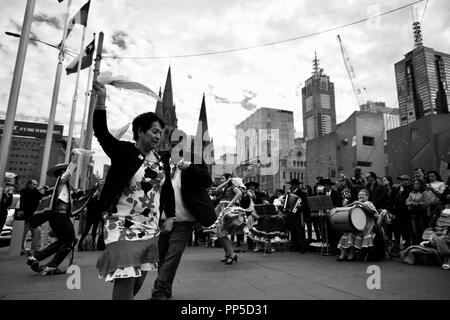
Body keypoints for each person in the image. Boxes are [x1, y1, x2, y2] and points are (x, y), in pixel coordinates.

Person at [92, 81, 176, 300]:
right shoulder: (124, 152)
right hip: (120, 222)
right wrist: (101, 101)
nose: (159, 136)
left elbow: (166, 189)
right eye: (155, 131)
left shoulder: (162, 160)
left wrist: (171, 215)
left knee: (137, 278)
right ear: (140, 132)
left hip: (149, 226)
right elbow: (101, 132)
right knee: (126, 274)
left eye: (161, 132)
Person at [151, 153, 216, 300]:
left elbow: (207, 181)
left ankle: (159, 291)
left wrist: (190, 167)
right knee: (162, 257)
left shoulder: (192, 160)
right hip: (161, 219)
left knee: (173, 255)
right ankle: (165, 289)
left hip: (184, 220)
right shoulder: (158, 161)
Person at [27, 158, 78, 275]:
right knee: (70, 241)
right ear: (62, 172)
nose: (71, 174)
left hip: (55, 218)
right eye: (67, 171)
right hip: (61, 217)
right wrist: (75, 159)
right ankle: (51, 266)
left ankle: (36, 258)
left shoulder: (60, 186)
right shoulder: (62, 181)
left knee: (62, 241)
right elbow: (67, 174)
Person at [337, 188, 379, 261]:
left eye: (363, 195)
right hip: (355, 226)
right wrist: (345, 205)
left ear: (367, 197)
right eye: (359, 195)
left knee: (353, 234)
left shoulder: (369, 203)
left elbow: (373, 212)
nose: (360, 196)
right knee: (346, 233)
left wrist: (361, 204)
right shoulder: (356, 204)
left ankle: (351, 254)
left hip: (366, 227)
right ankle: (343, 254)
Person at [213, 174, 246, 264]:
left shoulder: (232, 187)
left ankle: (232, 254)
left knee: (221, 233)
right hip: (221, 208)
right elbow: (216, 190)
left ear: (229, 179)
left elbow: (239, 193)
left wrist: (231, 202)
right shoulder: (226, 188)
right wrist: (227, 181)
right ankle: (228, 254)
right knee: (218, 233)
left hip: (226, 209)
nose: (221, 179)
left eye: (223, 178)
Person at [18, 179, 46, 256]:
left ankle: (34, 249)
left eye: (36, 184)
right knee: (24, 234)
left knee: (36, 232)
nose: (36, 186)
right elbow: (24, 198)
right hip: (26, 216)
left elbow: (42, 197)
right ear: (29, 184)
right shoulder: (25, 191)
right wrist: (39, 189)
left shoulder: (35, 191)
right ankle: (21, 248)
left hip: (33, 216)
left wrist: (45, 190)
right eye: (34, 184)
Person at [77, 180, 104, 251]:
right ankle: (80, 245)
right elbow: (88, 203)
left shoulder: (101, 195)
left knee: (94, 231)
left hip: (97, 216)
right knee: (86, 231)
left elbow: (102, 206)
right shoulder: (91, 194)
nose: (101, 185)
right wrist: (94, 197)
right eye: (100, 183)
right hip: (90, 215)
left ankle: (93, 245)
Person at [285, 179, 309, 253]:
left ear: (296, 185)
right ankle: (295, 246)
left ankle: (302, 247)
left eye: (292, 185)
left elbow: (305, 205)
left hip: (299, 215)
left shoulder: (302, 193)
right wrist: (284, 202)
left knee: (300, 231)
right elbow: (285, 202)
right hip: (291, 215)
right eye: (291, 185)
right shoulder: (288, 194)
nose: (291, 186)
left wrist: (298, 207)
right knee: (293, 231)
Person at [407, 178, 433, 245]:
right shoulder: (412, 192)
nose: (415, 185)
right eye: (415, 183)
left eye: (417, 183)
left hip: (422, 213)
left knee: (422, 229)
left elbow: (428, 202)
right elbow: (407, 201)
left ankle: (423, 244)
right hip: (413, 213)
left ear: (421, 184)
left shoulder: (424, 192)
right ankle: (417, 244)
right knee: (415, 231)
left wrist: (418, 203)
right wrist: (411, 203)